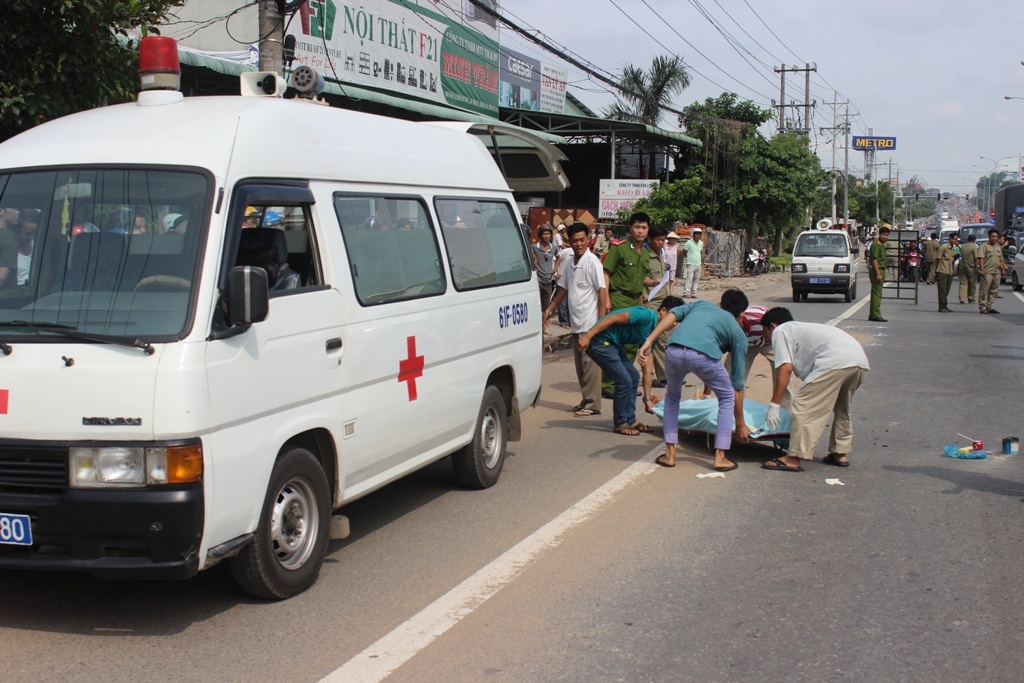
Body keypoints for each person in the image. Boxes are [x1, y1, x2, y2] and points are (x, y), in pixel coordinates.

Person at [638, 288, 750, 472]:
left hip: (673, 350)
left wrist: (649, 340)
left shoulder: (701, 304)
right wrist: (740, 424)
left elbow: (673, 314)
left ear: (720, 303)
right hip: (703, 357)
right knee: (727, 396)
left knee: (673, 397)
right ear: (741, 314)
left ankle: (670, 454)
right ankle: (720, 456)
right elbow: (737, 384)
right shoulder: (738, 334)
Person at [760, 308, 870, 471]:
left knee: (803, 407)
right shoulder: (802, 329)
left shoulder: (780, 330)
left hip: (834, 362)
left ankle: (793, 457)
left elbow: (785, 368)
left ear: (772, 325)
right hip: (859, 362)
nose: (767, 338)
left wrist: (774, 405)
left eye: (766, 333)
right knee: (842, 409)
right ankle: (839, 452)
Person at [577, 295, 684, 436]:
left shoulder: (654, 333)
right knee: (624, 380)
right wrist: (588, 335)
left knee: (633, 376)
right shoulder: (644, 315)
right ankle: (620, 422)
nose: (673, 325)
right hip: (599, 341)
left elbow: (648, 369)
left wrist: (647, 399)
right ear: (663, 310)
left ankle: (631, 420)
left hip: (613, 344)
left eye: (676, 322)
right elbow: (612, 318)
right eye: (673, 320)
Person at [544, 223, 607, 417]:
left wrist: (600, 324)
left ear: (588, 239)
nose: (578, 244)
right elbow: (563, 288)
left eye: (582, 240)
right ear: (569, 242)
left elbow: (602, 292)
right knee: (580, 367)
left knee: (591, 366)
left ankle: (593, 404)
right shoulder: (570, 262)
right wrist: (550, 308)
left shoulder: (592, 262)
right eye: (574, 241)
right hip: (576, 323)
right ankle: (585, 400)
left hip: (590, 323)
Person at [602, 212, 655, 396]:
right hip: (618, 299)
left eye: (644, 227)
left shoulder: (646, 252)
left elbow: (643, 278)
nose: (640, 231)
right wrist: (606, 299)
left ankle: (624, 381)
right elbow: (606, 272)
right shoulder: (619, 248)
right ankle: (608, 385)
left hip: (636, 300)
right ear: (630, 228)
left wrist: (655, 282)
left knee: (632, 343)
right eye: (637, 227)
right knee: (615, 342)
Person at [644, 225, 671, 387]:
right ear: (650, 239)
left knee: (662, 339)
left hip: (662, 304)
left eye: (663, 240)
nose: (661, 243)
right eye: (658, 240)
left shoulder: (660, 253)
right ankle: (648, 374)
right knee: (648, 341)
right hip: (649, 304)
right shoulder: (645, 255)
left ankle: (664, 376)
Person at [977, 228, 1006, 314]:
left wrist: (1003, 270)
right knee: (984, 290)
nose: (994, 238)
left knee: (994, 290)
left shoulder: (998, 247)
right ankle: (982, 307)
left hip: (997, 272)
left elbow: (1000, 259)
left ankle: (990, 307)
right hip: (987, 271)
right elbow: (981, 258)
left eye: (996, 236)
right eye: (992, 236)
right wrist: (982, 270)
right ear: (989, 237)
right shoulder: (984, 246)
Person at [530, 224, 556, 318]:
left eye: (548, 234)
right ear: (540, 235)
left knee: (546, 305)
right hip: (537, 279)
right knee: (535, 303)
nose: (546, 236)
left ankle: (544, 326)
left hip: (548, 279)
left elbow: (559, 257)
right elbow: (532, 259)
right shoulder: (534, 247)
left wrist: (555, 269)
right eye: (544, 234)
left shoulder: (553, 248)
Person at [867, 226, 889, 322]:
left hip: (880, 270)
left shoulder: (881, 244)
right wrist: (878, 274)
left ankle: (873, 314)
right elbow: (874, 260)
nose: (885, 237)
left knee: (875, 293)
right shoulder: (876, 245)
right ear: (879, 234)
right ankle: (876, 315)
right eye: (884, 235)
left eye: (887, 235)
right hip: (877, 270)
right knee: (877, 294)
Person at [16, 209, 40, 286]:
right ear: (16, 229)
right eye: (27, 233)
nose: (31, 237)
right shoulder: (8, 251)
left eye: (34, 233)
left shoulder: (39, 246)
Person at [934, 233, 957, 312]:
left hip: (949, 272)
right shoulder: (944, 247)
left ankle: (944, 306)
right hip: (942, 271)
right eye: (954, 239)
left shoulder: (953, 248)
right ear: (950, 238)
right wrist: (936, 270)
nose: (955, 241)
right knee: (942, 290)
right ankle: (941, 307)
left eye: (956, 239)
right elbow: (937, 259)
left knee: (946, 290)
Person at [0, 205, 21, 287]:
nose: (18, 212)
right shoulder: (9, 237)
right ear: (1, 211)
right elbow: (1, 277)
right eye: (14, 208)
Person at [680, 227, 704, 298]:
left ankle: (693, 293)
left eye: (699, 234)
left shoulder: (701, 243)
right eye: (697, 234)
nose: (698, 235)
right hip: (691, 263)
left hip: (698, 263)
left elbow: (700, 252)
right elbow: (684, 251)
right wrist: (689, 258)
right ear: (693, 234)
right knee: (689, 278)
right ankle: (686, 293)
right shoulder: (688, 243)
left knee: (696, 279)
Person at [958, 233, 979, 304]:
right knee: (972, 284)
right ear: (974, 240)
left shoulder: (963, 246)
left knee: (963, 283)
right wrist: (978, 267)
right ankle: (971, 298)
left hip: (962, 266)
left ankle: (962, 298)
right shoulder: (974, 247)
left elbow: (958, 254)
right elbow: (976, 258)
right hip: (971, 267)